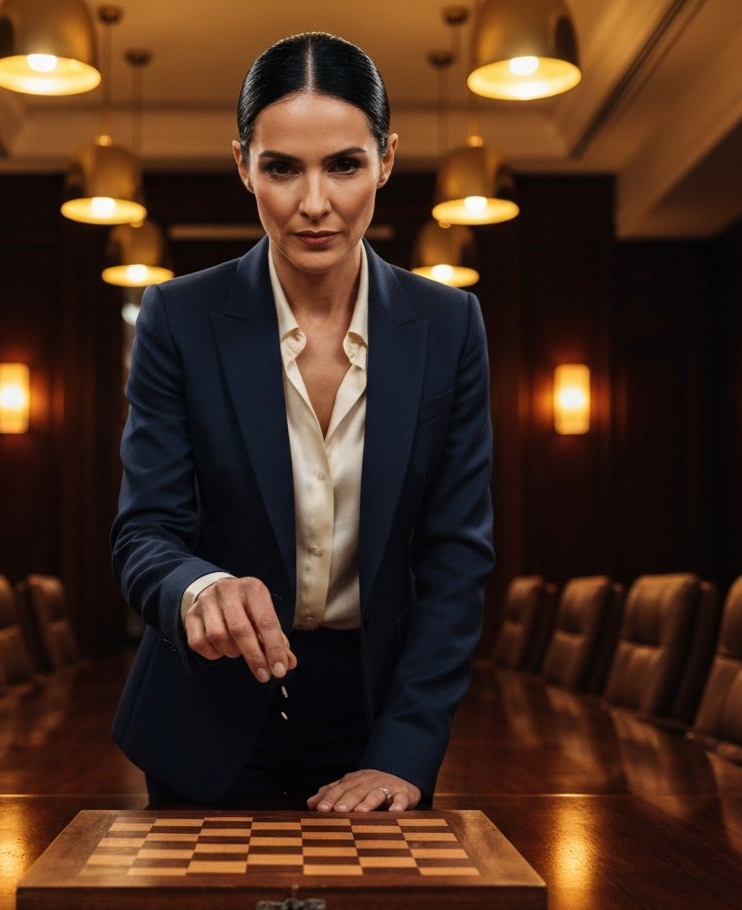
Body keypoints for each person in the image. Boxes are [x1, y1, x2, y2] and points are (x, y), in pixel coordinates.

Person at [110, 32, 494, 812]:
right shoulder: (177, 318)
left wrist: (406, 751)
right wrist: (198, 589)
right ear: (243, 164)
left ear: (385, 159)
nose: (314, 203)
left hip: (374, 712)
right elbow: (142, 532)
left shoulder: (450, 325)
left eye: (344, 165)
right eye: (282, 167)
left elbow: (456, 559)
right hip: (205, 713)